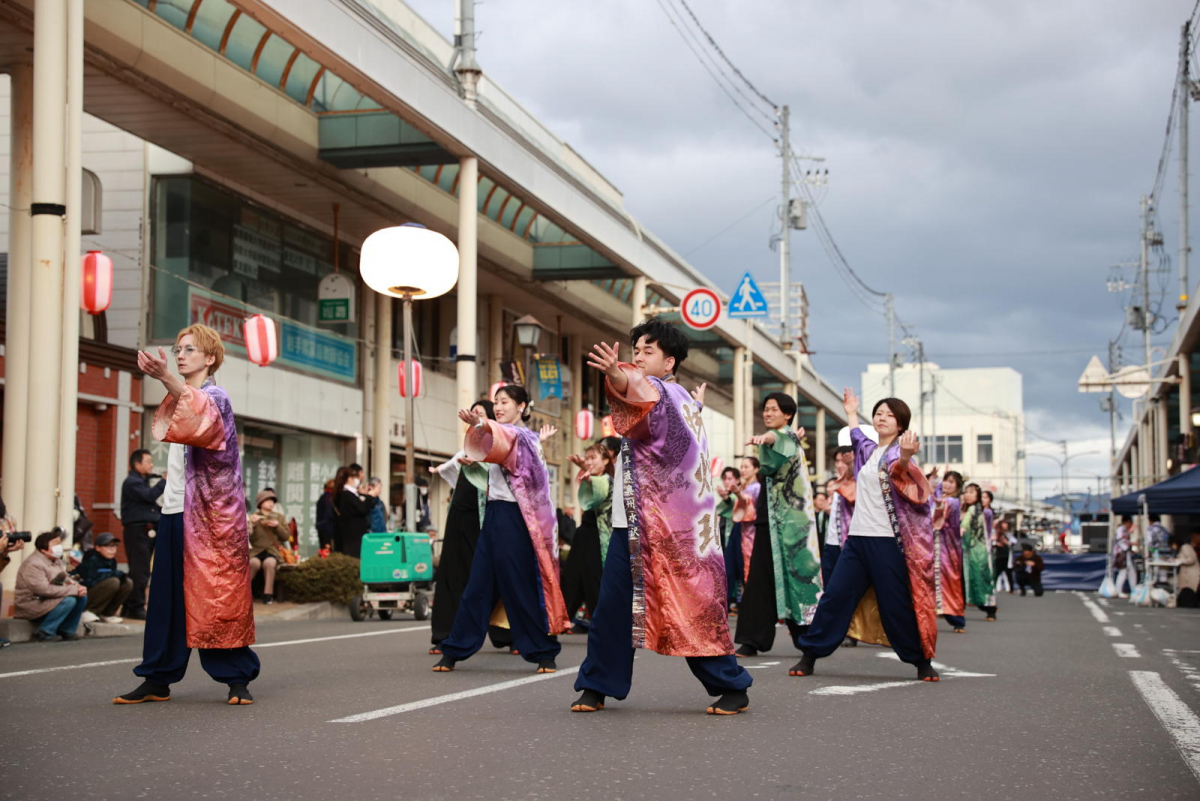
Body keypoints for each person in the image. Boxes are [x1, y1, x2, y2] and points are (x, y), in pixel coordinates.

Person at [572, 320, 752, 716]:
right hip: (633, 525)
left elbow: (638, 393)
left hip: (666, 529)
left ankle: (732, 684)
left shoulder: (660, 391)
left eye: (647, 350)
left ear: (669, 362)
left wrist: (617, 374)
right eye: (635, 348)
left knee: (687, 607)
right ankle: (596, 686)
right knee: (611, 610)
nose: (637, 355)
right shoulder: (681, 398)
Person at [114, 323, 259, 706]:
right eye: (177, 348)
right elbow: (183, 413)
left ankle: (237, 677)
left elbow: (203, 414)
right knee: (165, 598)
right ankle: (157, 677)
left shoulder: (217, 397)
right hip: (175, 510)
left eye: (189, 349)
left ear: (209, 358)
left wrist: (164, 378)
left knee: (217, 597)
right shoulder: (185, 395)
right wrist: (166, 381)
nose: (180, 355)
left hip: (212, 521)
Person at [791, 389, 940, 682]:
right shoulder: (867, 450)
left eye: (890, 415)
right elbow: (856, 434)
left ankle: (921, 661)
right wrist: (850, 411)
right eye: (879, 413)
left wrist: (908, 458)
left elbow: (903, 476)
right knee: (834, 597)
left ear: (901, 425)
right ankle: (809, 654)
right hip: (857, 540)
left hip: (887, 542)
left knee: (895, 603)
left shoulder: (899, 453)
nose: (882, 418)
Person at [433, 385, 569, 674]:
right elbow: (493, 458)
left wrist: (480, 423)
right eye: (496, 402)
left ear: (521, 407)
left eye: (504, 402)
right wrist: (474, 457)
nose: (498, 406)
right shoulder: (505, 434)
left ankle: (543, 652)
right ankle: (454, 649)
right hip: (494, 513)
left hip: (514, 517)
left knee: (518, 585)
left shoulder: (521, 436)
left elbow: (505, 442)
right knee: (477, 584)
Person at [736, 393, 821, 657]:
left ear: (787, 415)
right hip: (769, 520)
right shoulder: (787, 436)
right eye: (765, 409)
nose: (767, 413)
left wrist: (767, 437)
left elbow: (779, 441)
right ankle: (752, 640)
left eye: (773, 409)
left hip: (790, 525)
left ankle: (809, 638)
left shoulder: (787, 437)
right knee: (761, 579)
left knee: (797, 576)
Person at [428, 400, 514, 655]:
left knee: (494, 573)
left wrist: (479, 463)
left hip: (486, 514)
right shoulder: (468, 444)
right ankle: (444, 634)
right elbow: (451, 466)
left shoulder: (500, 442)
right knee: (451, 573)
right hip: (460, 512)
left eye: (480, 414)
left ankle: (507, 632)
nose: (474, 417)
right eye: (473, 413)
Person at [562, 443, 615, 633]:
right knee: (570, 579)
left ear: (606, 460)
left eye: (594, 458)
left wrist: (588, 475)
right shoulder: (590, 476)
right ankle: (558, 621)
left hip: (599, 538)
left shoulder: (609, 480)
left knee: (595, 582)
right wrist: (587, 473)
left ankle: (604, 627)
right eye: (588, 458)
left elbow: (599, 489)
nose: (589, 462)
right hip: (583, 533)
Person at [14, 530, 87, 642]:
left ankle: (67, 630)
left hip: (47, 600)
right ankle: (44, 631)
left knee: (81, 597)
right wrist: (72, 590)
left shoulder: (57, 561)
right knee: (69, 600)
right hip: (31, 603)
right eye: (55, 544)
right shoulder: (33, 564)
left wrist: (78, 587)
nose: (59, 547)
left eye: (59, 544)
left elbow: (66, 579)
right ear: (43, 549)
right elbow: (43, 589)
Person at [120, 449, 165, 620]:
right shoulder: (132, 482)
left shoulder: (141, 482)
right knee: (140, 571)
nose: (151, 465)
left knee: (142, 570)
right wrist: (164, 482)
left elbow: (151, 505)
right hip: (137, 531)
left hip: (146, 531)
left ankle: (129, 606)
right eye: (148, 461)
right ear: (137, 464)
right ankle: (136, 607)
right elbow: (149, 496)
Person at [931, 469, 966, 632]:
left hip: (947, 548)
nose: (947, 484)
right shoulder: (941, 499)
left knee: (949, 581)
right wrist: (932, 478)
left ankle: (956, 618)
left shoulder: (952, 502)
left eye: (951, 482)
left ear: (957, 487)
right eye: (946, 480)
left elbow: (937, 519)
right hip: (933, 545)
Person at [72, 532, 133, 623]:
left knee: (127, 582)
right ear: (98, 548)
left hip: (100, 593)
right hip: (85, 595)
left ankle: (107, 613)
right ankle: (89, 611)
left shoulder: (112, 561)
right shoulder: (91, 559)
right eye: (108, 546)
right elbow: (89, 581)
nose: (112, 549)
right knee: (114, 582)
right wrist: (114, 574)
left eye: (114, 546)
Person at [962, 483, 997, 621]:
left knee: (979, 578)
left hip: (978, 550)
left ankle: (989, 608)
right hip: (972, 549)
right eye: (966, 492)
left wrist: (961, 530)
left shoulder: (976, 510)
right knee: (973, 578)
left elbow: (965, 524)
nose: (968, 495)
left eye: (972, 492)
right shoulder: (971, 508)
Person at [248, 489, 288, 605]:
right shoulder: (253, 517)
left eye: (272, 500)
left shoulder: (279, 517)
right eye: (267, 500)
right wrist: (252, 524)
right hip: (256, 551)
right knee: (253, 563)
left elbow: (286, 536)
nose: (271, 503)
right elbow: (247, 537)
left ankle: (268, 594)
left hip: (272, 551)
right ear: (261, 503)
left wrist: (277, 526)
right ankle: (245, 592)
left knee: (269, 563)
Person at [332, 463, 378, 559]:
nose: (357, 480)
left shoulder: (351, 494)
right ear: (349, 478)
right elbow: (362, 508)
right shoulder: (347, 495)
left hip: (355, 537)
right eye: (355, 477)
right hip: (352, 538)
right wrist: (369, 497)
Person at [715, 466, 743, 605]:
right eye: (725, 478)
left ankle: (737, 601)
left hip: (738, 537)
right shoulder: (729, 496)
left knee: (737, 570)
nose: (727, 481)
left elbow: (730, 501)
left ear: (738, 480)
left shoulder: (740, 495)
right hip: (725, 538)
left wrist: (726, 497)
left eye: (730, 478)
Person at [734, 456, 761, 589]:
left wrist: (739, 495)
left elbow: (749, 505)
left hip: (753, 531)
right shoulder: (746, 487)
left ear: (756, 469)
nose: (743, 470)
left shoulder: (756, 487)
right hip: (745, 531)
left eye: (746, 467)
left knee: (751, 563)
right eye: (742, 467)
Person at [1113, 515, 1138, 598]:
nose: (1130, 525)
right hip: (1121, 553)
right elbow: (1120, 540)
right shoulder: (1121, 529)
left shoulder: (1124, 530)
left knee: (1131, 572)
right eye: (1130, 523)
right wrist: (1128, 547)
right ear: (1128, 522)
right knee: (1123, 572)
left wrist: (1129, 550)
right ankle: (1118, 591)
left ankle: (1133, 590)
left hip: (1125, 553)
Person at [1174, 531, 1200, 608]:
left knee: (1190, 592)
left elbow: (1191, 559)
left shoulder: (1185, 547)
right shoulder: (1189, 547)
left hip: (1190, 575)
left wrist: (1179, 561)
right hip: (1191, 575)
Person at [993, 519, 1015, 594]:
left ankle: (1011, 589)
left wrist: (1007, 542)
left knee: (1009, 573)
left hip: (1007, 556)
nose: (1005, 526)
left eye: (1006, 524)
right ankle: (993, 588)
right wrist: (997, 543)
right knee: (996, 573)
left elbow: (1014, 541)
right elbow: (992, 541)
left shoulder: (1009, 533)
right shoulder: (996, 533)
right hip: (998, 556)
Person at [315, 479, 336, 550]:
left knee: (324, 550)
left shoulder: (323, 497)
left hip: (322, 526)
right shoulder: (329, 498)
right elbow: (329, 514)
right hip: (327, 528)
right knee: (327, 550)